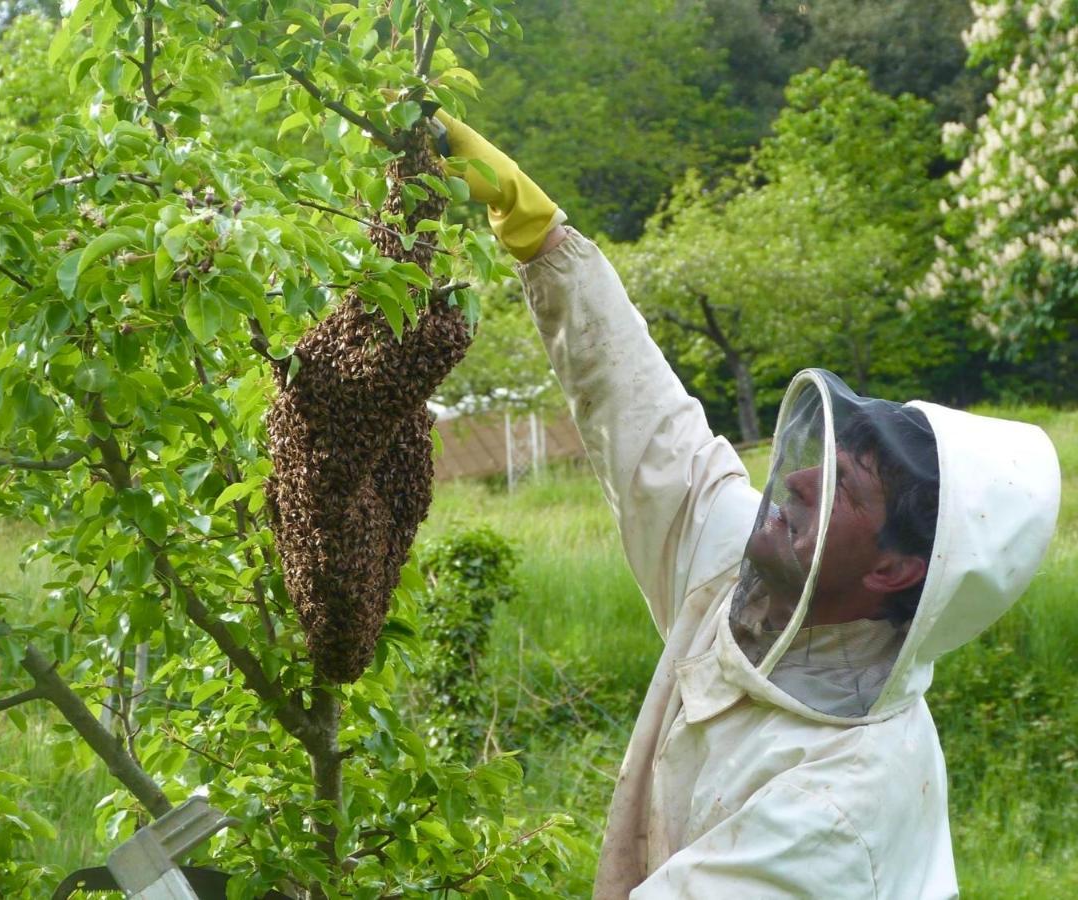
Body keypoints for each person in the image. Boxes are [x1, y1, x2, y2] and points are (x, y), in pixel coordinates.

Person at [431, 111, 1062, 898]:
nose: (796, 483)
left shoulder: (838, 805)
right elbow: (654, 436)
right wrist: (544, 242)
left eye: (842, 491)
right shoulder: (761, 579)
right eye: (815, 463)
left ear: (897, 568)